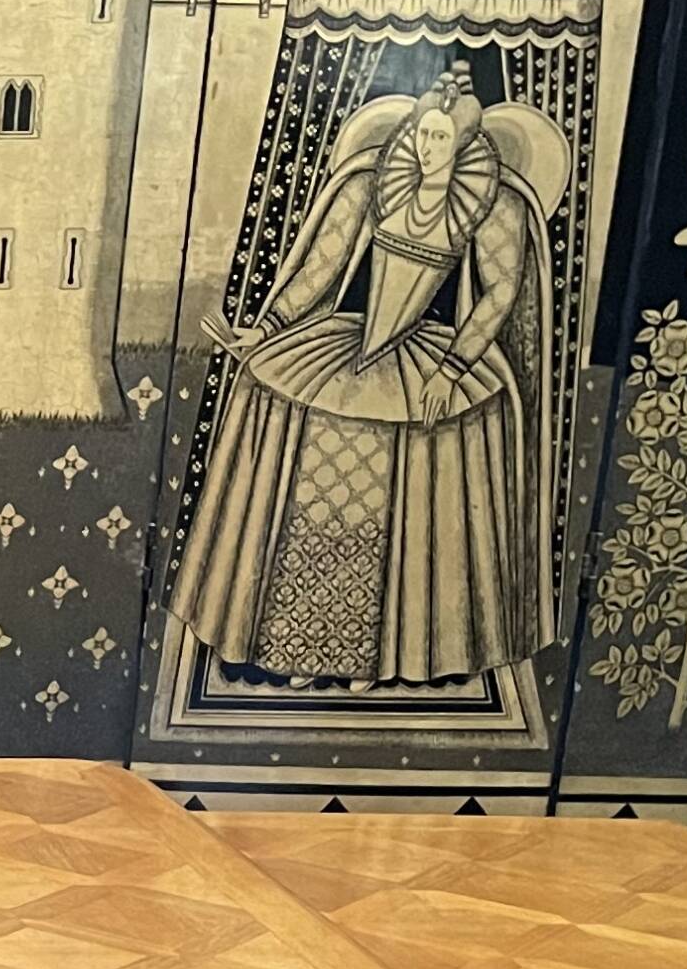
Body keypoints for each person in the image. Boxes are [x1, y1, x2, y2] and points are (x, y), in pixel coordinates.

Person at [172, 62, 570, 688]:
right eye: (422, 134)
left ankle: (381, 659)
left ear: (466, 146)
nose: (427, 147)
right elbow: (320, 271)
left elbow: (498, 295)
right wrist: (269, 327)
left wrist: (453, 366)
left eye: (441, 138)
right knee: (315, 504)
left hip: (432, 360)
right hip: (349, 351)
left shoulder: (494, 205)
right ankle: (303, 650)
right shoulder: (373, 183)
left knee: (399, 518)